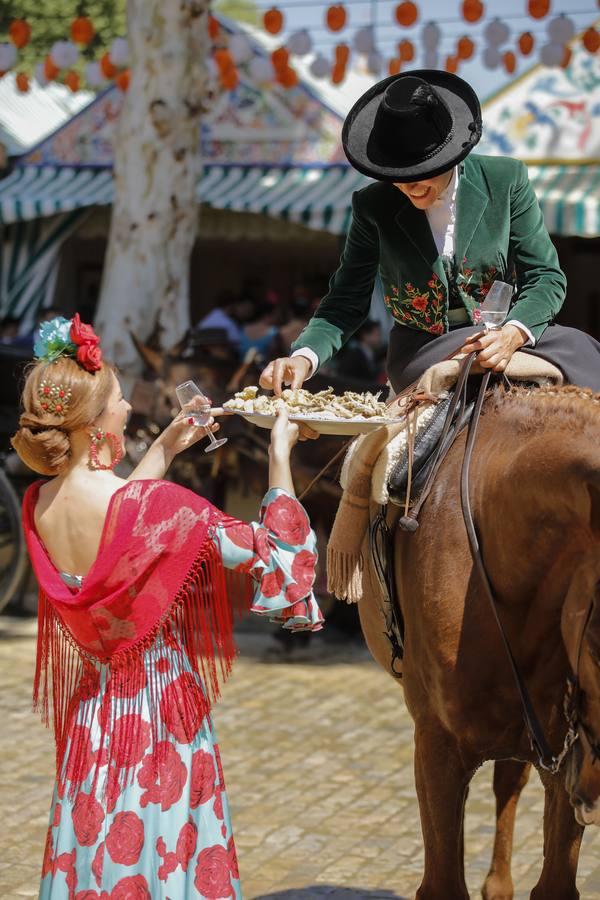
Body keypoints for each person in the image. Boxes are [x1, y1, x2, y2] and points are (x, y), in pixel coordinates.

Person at [12, 314, 322, 898]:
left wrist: (163, 449)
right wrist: (280, 452)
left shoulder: (39, 504)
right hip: (159, 722)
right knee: (161, 853)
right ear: (95, 422)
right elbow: (278, 560)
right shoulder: (162, 508)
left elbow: (117, 530)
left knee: (100, 854)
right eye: (122, 401)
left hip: (93, 719)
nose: (129, 408)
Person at [259, 70, 600, 396]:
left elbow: (545, 276)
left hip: (507, 333)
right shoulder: (372, 206)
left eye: (422, 172)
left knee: (586, 353)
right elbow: (346, 300)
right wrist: (304, 356)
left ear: (450, 155)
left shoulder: (506, 180)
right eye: (397, 174)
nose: (409, 186)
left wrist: (514, 332)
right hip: (423, 348)